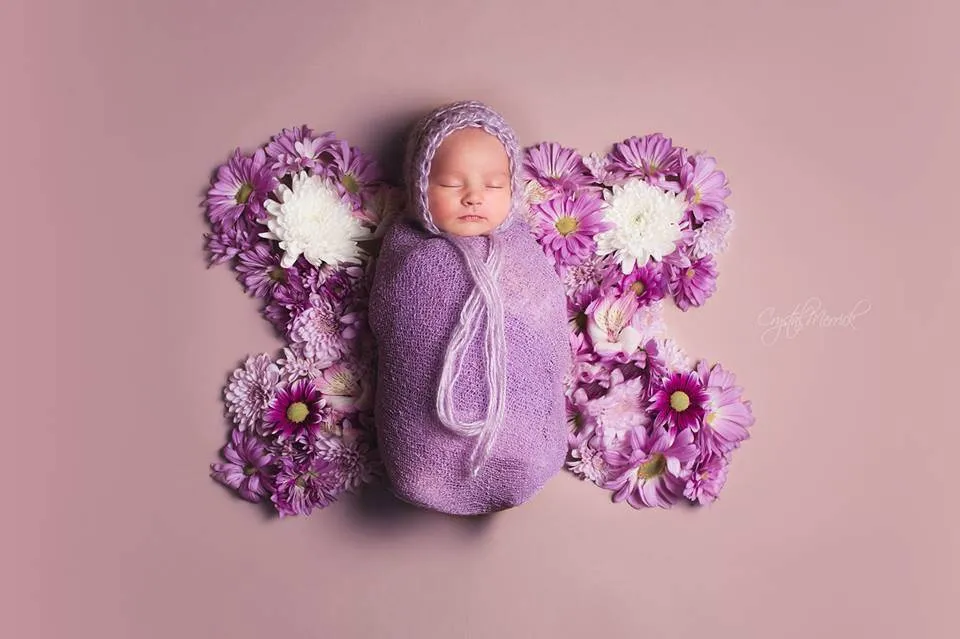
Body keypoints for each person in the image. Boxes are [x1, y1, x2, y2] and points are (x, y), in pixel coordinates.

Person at [368, 100, 570, 515]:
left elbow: (548, 326)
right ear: (420, 189)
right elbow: (395, 331)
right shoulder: (410, 255)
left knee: (523, 430)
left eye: (494, 185)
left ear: (512, 190)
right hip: (427, 422)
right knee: (420, 446)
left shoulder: (522, 253)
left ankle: (520, 447)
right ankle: (425, 459)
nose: (474, 196)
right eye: (450, 184)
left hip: (516, 422)